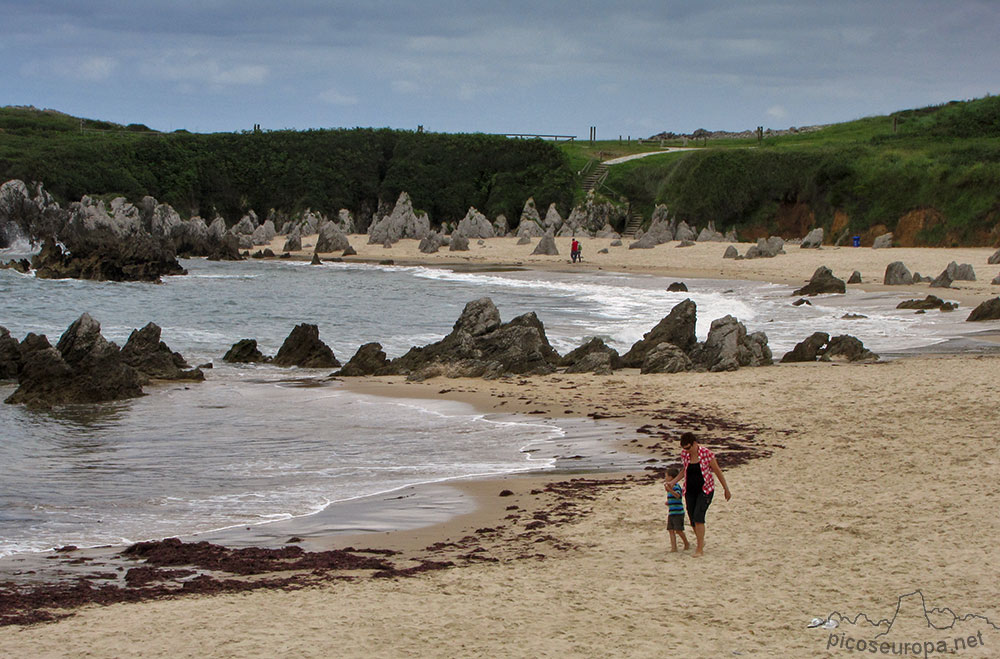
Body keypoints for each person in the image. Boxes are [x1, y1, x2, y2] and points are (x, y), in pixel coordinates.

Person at [665, 431, 731, 557]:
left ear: (695, 443)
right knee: (692, 519)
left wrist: (726, 489)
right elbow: (684, 470)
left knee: (699, 517)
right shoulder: (685, 455)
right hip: (690, 490)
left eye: (689, 448)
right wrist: (673, 482)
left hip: (705, 490)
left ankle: (699, 549)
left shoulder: (707, 454)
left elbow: (717, 471)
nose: (687, 451)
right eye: (684, 449)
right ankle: (701, 541)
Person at [664, 467, 690, 552]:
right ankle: (674, 547)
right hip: (671, 512)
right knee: (670, 530)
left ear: (671, 477)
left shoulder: (676, 486)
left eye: (666, 476)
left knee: (678, 530)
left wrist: (670, 490)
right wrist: (668, 502)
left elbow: (678, 495)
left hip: (678, 512)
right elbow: (673, 498)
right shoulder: (669, 487)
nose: (665, 478)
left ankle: (686, 543)